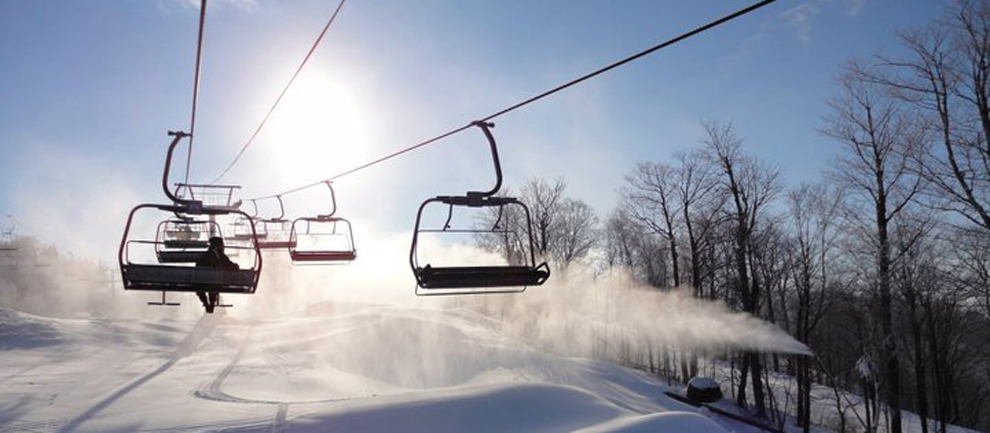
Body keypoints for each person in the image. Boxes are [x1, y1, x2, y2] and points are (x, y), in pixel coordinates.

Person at [196, 236, 239, 313]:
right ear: (218, 245)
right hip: (215, 283)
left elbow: (197, 268)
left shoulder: (203, 255)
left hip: (200, 283)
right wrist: (236, 266)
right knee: (213, 284)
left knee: (204, 284)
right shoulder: (220, 256)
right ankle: (211, 303)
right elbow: (230, 266)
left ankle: (206, 303)